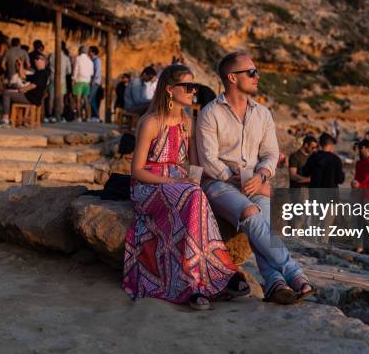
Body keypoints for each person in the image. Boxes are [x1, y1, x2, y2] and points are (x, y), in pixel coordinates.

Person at [122, 64, 249, 310]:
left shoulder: (186, 120)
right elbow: (136, 170)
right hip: (149, 184)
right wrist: (173, 182)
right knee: (191, 194)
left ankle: (210, 273)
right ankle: (191, 283)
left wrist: (197, 180)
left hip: (180, 183)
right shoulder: (150, 122)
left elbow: (193, 163)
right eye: (188, 86)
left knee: (195, 193)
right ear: (170, 90)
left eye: (195, 87)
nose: (193, 91)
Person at [196, 51, 313, 305]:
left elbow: (271, 153)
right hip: (219, 184)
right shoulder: (210, 113)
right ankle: (293, 272)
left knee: (262, 223)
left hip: (255, 182)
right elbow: (208, 160)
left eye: (256, 71)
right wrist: (234, 177)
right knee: (251, 213)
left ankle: (273, 283)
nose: (257, 76)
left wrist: (262, 174)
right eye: (251, 72)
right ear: (232, 78)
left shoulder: (262, 113)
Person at [0, 53, 50, 128]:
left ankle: (5, 120)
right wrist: (21, 65)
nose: (35, 61)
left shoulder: (43, 73)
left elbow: (33, 86)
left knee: (6, 93)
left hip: (31, 98)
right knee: (7, 92)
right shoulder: (38, 72)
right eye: (35, 60)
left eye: (37, 59)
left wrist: (20, 90)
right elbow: (23, 76)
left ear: (43, 61)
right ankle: (8, 119)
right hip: (29, 96)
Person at [45, 41, 72, 123]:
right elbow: (69, 71)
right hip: (62, 81)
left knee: (51, 99)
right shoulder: (66, 57)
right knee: (61, 100)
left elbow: (48, 66)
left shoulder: (52, 55)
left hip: (53, 79)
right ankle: (60, 116)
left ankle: (49, 116)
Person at [71, 46, 94, 122]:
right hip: (87, 81)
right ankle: (88, 117)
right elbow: (91, 73)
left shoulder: (78, 58)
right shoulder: (90, 61)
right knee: (86, 99)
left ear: (80, 51)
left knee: (78, 100)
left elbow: (76, 69)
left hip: (79, 80)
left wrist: (73, 79)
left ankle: (79, 117)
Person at [87, 46, 103, 122]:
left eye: (89, 51)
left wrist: (93, 80)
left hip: (95, 82)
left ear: (93, 52)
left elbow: (98, 71)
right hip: (93, 81)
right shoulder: (92, 60)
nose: (88, 53)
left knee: (91, 99)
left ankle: (96, 116)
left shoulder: (97, 60)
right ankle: (94, 116)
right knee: (92, 99)